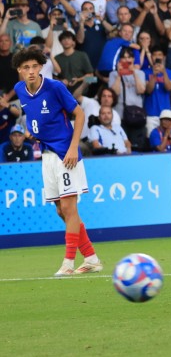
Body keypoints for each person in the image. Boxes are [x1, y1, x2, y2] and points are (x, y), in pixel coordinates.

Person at [13, 48, 102, 276]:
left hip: (66, 153)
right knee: (61, 211)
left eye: (34, 66)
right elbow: (34, 115)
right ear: (19, 70)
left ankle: (68, 263)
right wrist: (31, 129)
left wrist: (73, 148)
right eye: (26, 68)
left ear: (41, 66)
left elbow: (79, 114)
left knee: (69, 208)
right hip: (46, 154)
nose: (31, 71)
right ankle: (91, 257)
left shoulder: (55, 87)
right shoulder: (19, 89)